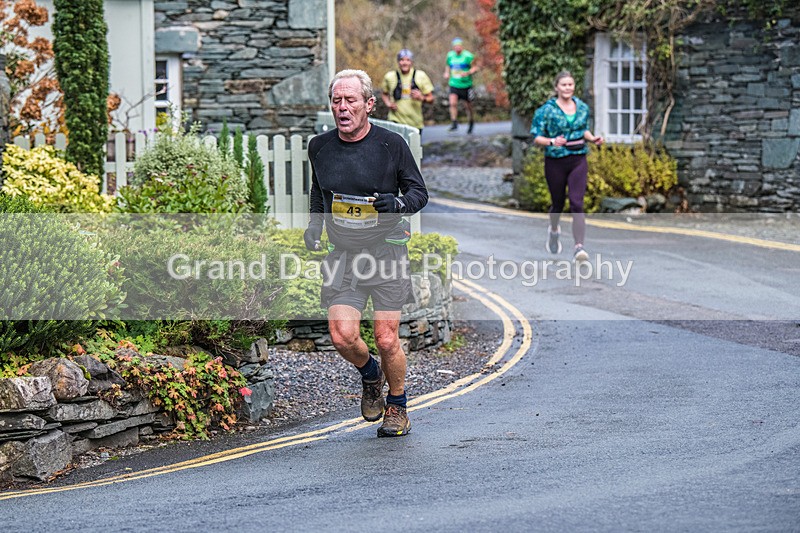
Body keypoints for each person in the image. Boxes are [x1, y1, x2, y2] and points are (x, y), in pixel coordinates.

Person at [304, 69, 428, 437]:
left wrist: (398, 202)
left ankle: (398, 405)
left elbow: (419, 194)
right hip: (343, 254)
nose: (342, 108)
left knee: (387, 338)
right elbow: (319, 192)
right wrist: (315, 225)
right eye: (336, 101)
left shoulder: (392, 145)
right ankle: (371, 375)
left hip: (386, 251)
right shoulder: (320, 147)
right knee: (342, 335)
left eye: (350, 100)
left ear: (369, 104)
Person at [530, 70, 604, 263]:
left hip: (578, 158)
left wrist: (593, 138)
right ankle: (554, 230)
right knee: (558, 203)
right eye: (563, 85)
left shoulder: (582, 108)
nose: (567, 88)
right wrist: (552, 142)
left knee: (577, 203)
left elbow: (583, 130)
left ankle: (579, 247)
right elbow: (536, 137)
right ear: (557, 88)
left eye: (570, 84)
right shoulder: (546, 110)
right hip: (555, 161)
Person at [380, 48, 434, 134]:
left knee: (412, 147)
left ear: (411, 62)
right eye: (401, 60)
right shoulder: (390, 76)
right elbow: (384, 94)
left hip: (415, 123)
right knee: (395, 147)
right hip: (395, 121)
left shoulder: (421, 76)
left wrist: (421, 97)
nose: (404, 63)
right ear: (398, 62)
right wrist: (388, 104)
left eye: (408, 60)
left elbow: (431, 98)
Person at [443, 37, 479, 134]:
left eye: (459, 46)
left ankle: (471, 121)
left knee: (468, 106)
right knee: (452, 103)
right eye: (455, 46)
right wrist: (446, 73)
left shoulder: (468, 56)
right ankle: (454, 122)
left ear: (462, 46)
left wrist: (467, 72)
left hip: (466, 85)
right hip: (454, 83)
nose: (457, 48)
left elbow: (476, 67)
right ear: (453, 47)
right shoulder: (450, 55)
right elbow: (447, 65)